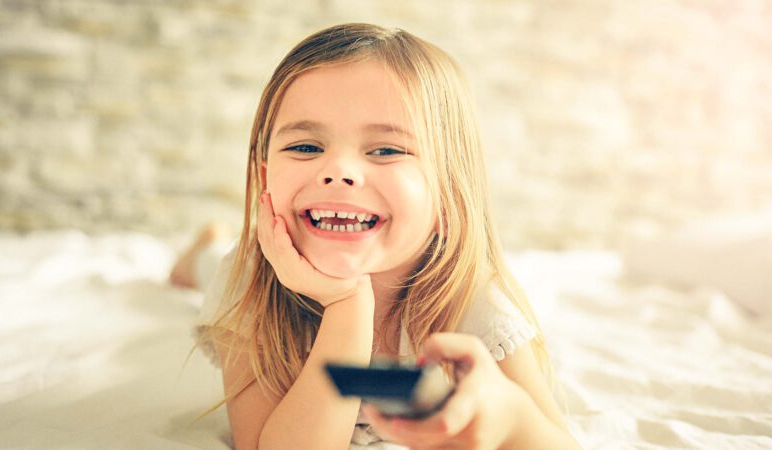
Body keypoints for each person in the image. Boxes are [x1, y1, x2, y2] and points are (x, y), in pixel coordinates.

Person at [183, 23, 582, 449]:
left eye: (386, 150)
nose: (338, 171)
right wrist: (346, 304)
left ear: (448, 198)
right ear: (266, 180)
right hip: (250, 269)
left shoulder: (470, 298)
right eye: (306, 147)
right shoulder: (250, 278)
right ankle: (201, 250)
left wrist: (513, 417)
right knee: (211, 264)